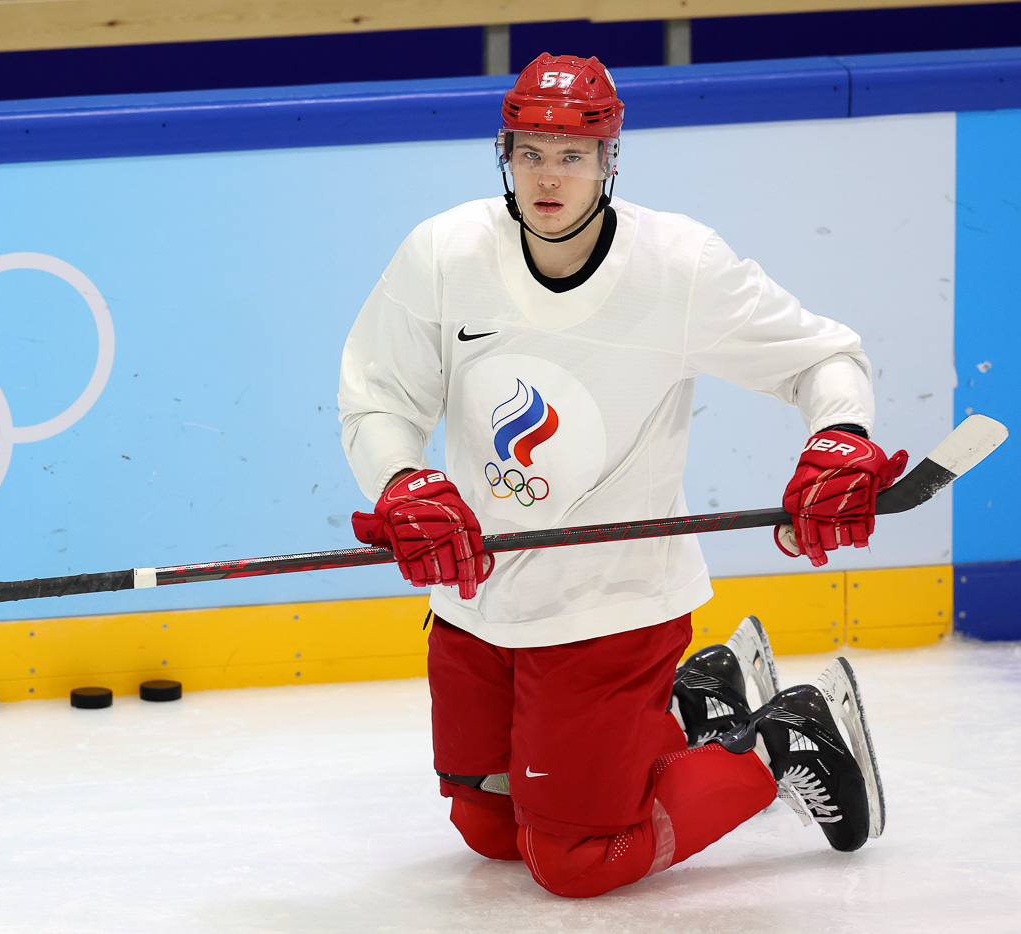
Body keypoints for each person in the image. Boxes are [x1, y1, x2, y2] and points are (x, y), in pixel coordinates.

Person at [338, 53, 901, 898]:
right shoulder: (443, 253)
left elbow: (822, 356)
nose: (548, 178)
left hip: (609, 604)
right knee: (489, 827)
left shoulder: (677, 265)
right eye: (531, 153)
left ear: (609, 160)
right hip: (480, 597)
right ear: (503, 155)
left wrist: (841, 436)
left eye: (572, 156)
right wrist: (401, 482)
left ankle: (787, 740)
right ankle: (699, 699)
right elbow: (378, 398)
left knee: (574, 859)